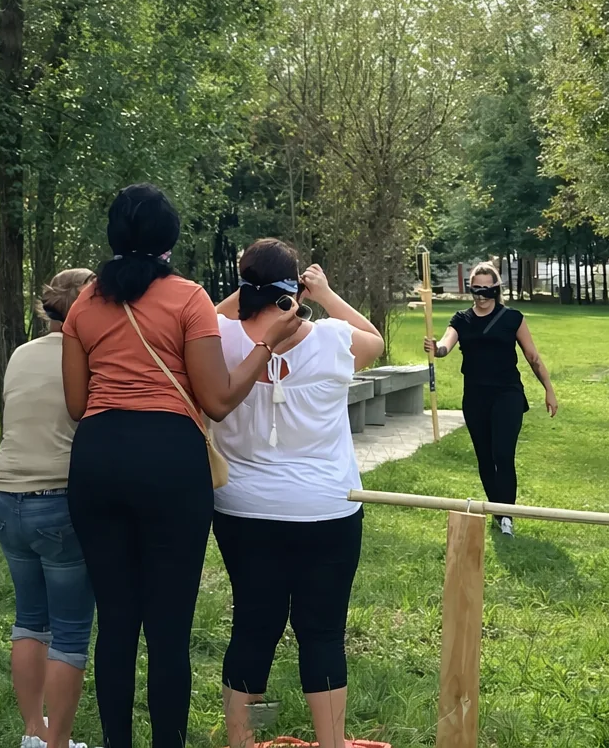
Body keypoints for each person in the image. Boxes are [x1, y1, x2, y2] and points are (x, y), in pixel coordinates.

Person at [61, 185, 302, 748]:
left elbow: (76, 404)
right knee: (168, 628)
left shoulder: (84, 303)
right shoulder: (188, 298)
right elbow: (216, 400)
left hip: (96, 458)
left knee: (116, 622)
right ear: (169, 238)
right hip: (171, 461)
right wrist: (267, 346)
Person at [212, 242, 385, 748]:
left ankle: (242, 740)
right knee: (323, 631)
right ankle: (331, 743)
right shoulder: (333, 339)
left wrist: (247, 290)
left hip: (243, 508)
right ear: (296, 288)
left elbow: (201, 314)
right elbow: (373, 338)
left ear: (244, 284)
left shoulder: (217, 337)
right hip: (326, 508)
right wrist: (325, 294)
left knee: (252, 625)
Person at [0, 268, 97, 748]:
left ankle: (34, 732)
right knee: (71, 630)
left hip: (5, 496)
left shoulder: (21, 354)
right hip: (57, 500)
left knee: (30, 619)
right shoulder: (90, 358)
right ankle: (60, 744)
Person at [424, 261, 558, 538]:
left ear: (496, 290)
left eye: (487, 290)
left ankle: (507, 514)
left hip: (507, 393)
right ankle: (499, 512)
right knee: (485, 458)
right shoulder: (461, 319)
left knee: (502, 454)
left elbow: (532, 357)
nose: (481, 296)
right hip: (475, 396)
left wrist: (549, 389)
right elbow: (446, 346)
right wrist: (435, 348)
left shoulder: (512, 318)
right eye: (476, 290)